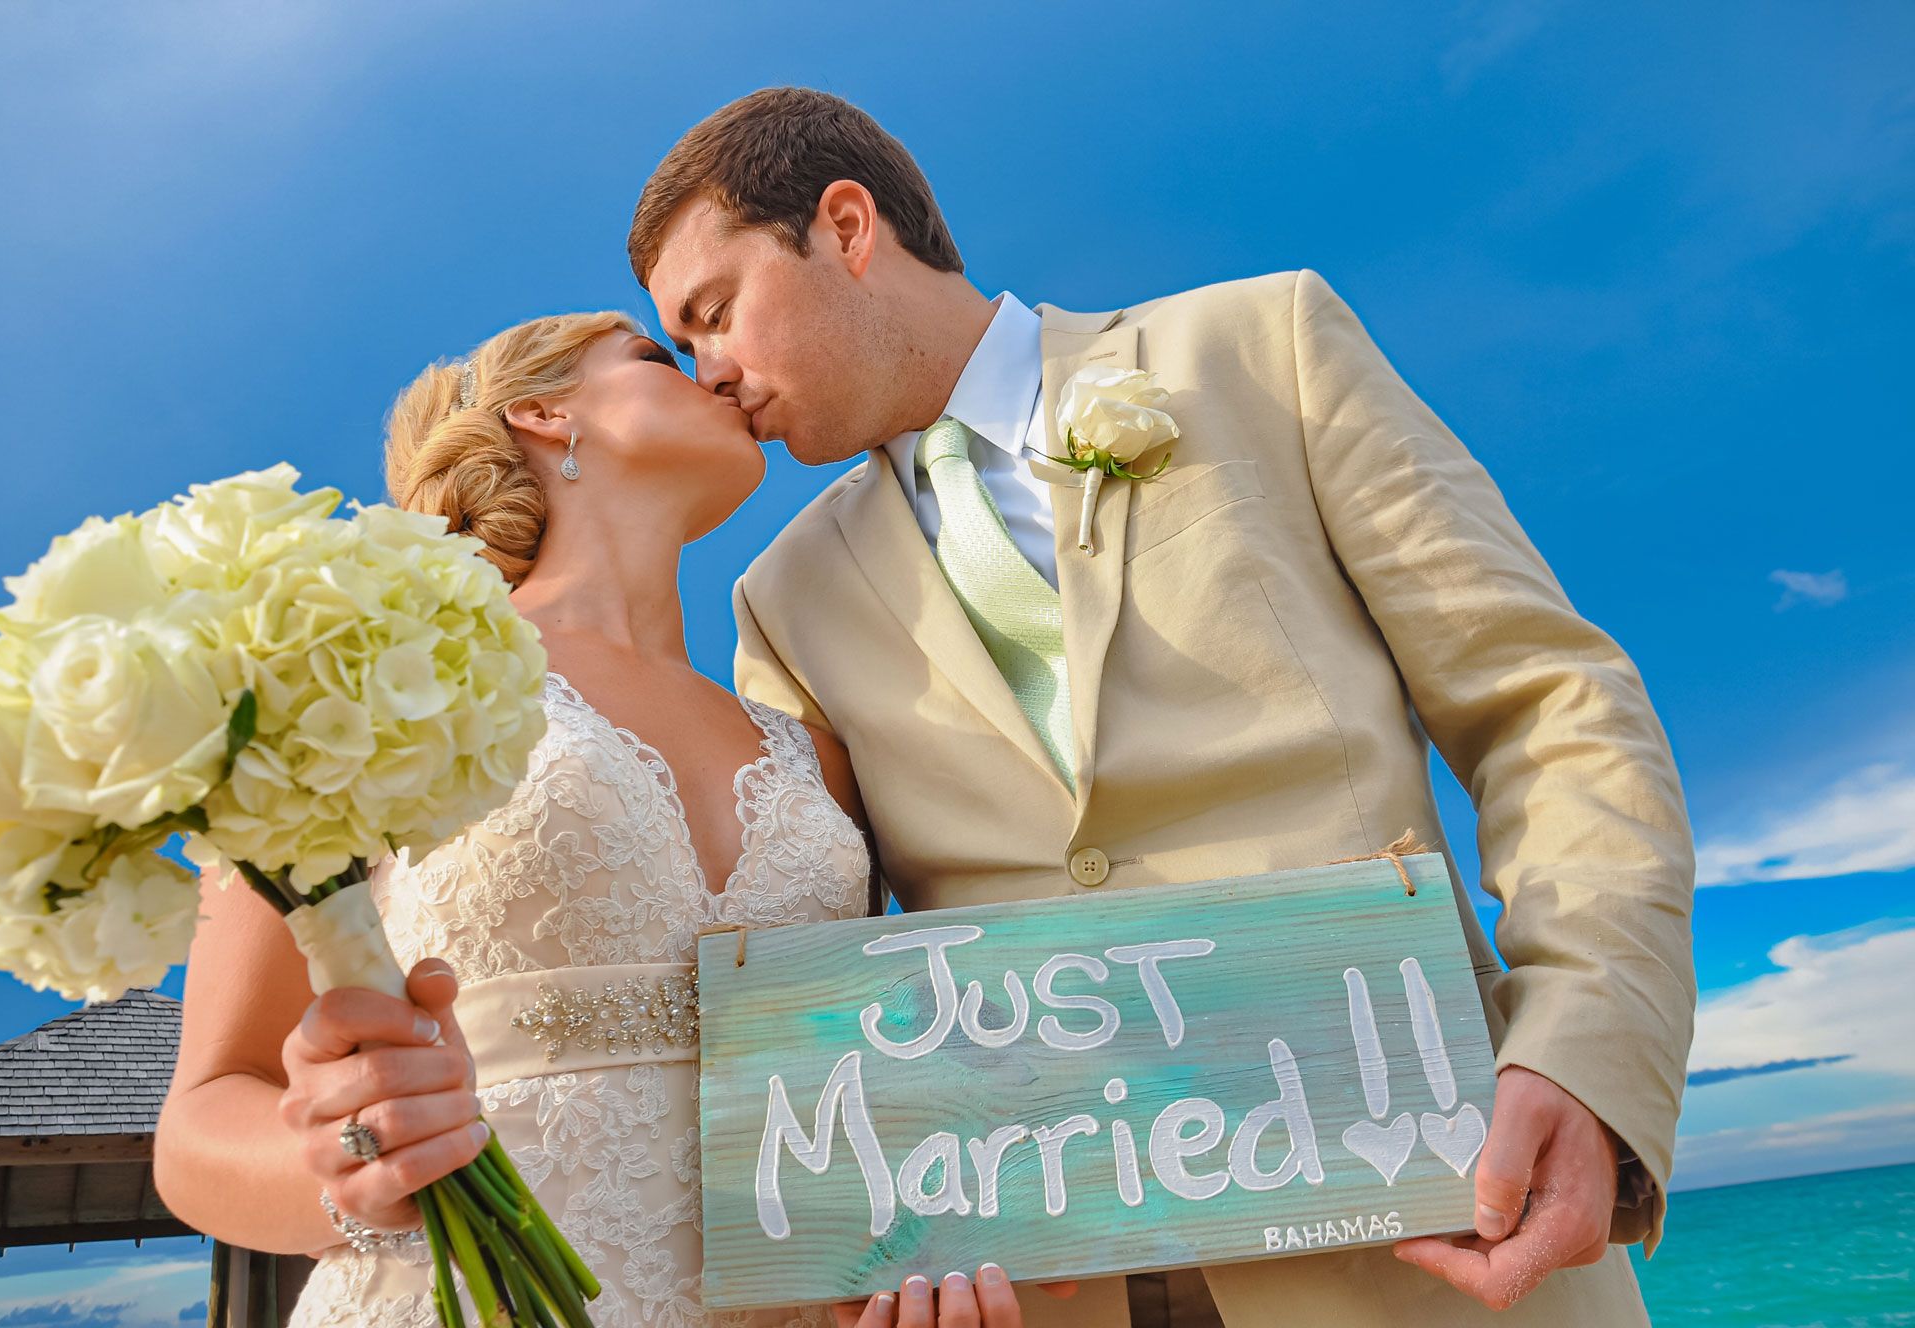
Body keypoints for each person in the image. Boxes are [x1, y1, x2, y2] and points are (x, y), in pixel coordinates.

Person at [627, 88, 1697, 1328]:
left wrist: (1575, 1037)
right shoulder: (780, 596)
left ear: (847, 226)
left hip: (1428, 1226)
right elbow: (816, 957)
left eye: (713, 314)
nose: (708, 372)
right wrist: (861, 1258)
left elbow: (1547, 703)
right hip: (1045, 1287)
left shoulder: (1260, 344)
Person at [155, 312, 1044, 1328]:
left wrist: (898, 1279)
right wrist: (344, 1161)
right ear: (544, 412)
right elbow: (200, 1117)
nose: (717, 368)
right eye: (656, 355)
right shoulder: (361, 677)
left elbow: (852, 1108)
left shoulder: (816, 749)